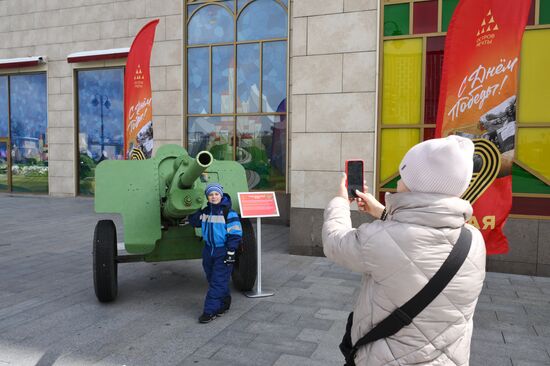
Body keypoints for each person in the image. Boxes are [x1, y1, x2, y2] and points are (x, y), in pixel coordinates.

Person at [322, 136, 486, 365]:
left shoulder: (379, 238)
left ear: (413, 184)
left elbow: (334, 242)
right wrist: (382, 213)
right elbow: (420, 235)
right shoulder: (474, 240)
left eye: (403, 175)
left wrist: (340, 201)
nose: (399, 181)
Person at [189, 183, 243, 324]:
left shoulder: (229, 213)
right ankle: (224, 303)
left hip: (222, 251)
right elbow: (194, 221)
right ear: (208, 197)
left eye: (216, 194)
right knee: (213, 278)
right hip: (208, 250)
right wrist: (193, 204)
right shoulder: (206, 212)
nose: (213, 197)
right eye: (211, 195)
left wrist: (231, 252)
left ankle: (210, 311)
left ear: (221, 195)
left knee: (217, 282)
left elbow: (235, 234)